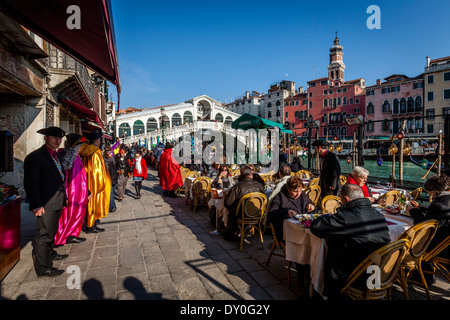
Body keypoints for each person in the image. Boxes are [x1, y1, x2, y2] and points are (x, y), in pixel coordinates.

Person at [310, 183, 390, 299]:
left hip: (356, 274)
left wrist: (324, 216)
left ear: (346, 199)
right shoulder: (378, 215)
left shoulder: (346, 217)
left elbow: (316, 228)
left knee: (329, 251)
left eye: (341, 200)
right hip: (379, 272)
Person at [23, 126, 68, 277]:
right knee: (43, 234)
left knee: (51, 231)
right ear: (46, 138)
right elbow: (31, 183)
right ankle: (43, 267)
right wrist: (36, 205)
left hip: (56, 201)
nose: (58, 141)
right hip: (45, 203)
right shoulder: (36, 157)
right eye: (54, 137)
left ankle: (50, 253)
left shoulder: (54, 155)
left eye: (60, 138)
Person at [54, 133, 89, 246]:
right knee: (75, 212)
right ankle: (71, 234)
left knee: (66, 214)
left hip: (67, 191)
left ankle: (67, 233)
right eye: (79, 146)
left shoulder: (62, 155)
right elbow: (76, 179)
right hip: (74, 192)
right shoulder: (75, 159)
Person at [407, 175, 450, 260]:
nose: (428, 194)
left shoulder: (438, 206)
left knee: (405, 239)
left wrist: (413, 210)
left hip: (437, 246)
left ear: (434, 191)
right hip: (445, 241)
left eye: (428, 192)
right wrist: (420, 207)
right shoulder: (446, 199)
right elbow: (436, 214)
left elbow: (424, 227)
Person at [79, 131, 111, 233]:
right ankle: (91, 225)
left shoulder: (87, 151)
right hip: (94, 184)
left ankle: (89, 223)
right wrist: (102, 184)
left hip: (88, 182)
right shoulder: (94, 154)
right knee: (93, 204)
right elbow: (97, 172)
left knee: (89, 205)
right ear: (97, 141)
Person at [268, 176, 314, 242]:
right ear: (288, 189)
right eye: (295, 191)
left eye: (300, 191)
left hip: (301, 228)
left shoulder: (302, 195)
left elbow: (309, 202)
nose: (298, 194)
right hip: (286, 231)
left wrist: (310, 205)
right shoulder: (280, 197)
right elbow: (271, 215)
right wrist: (286, 213)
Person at [224, 166, 265, 241]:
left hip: (241, 215)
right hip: (257, 214)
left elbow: (228, 204)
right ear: (250, 174)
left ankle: (231, 230)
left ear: (241, 175)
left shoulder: (237, 187)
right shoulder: (259, 186)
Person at [103, 146, 119, 211]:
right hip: (107, 179)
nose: (111, 154)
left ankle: (110, 206)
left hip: (114, 178)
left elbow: (116, 168)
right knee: (110, 193)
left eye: (111, 152)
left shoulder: (113, 159)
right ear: (106, 153)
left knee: (112, 192)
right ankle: (112, 207)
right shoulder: (103, 160)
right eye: (110, 152)